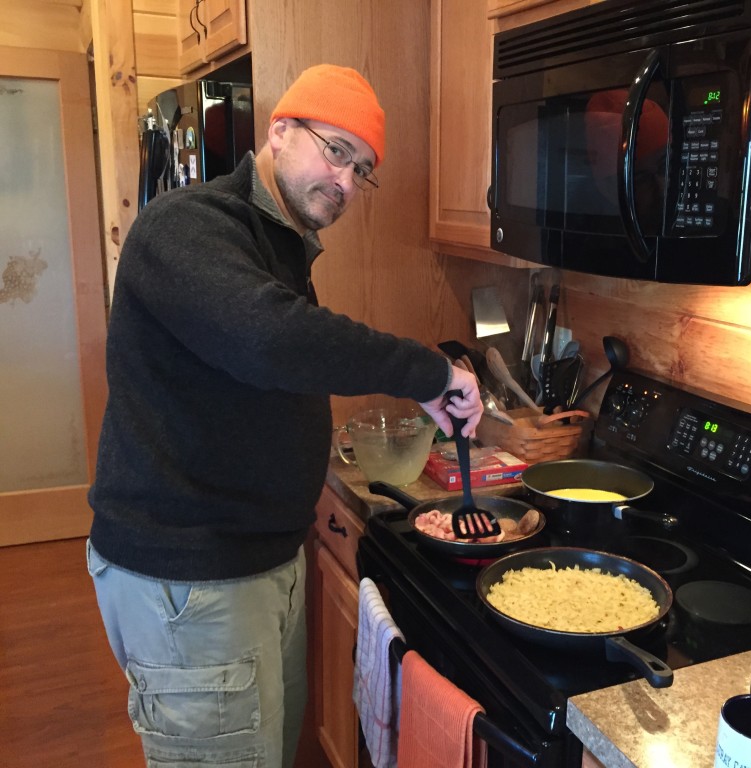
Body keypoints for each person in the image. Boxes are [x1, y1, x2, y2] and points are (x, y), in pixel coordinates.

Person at [86, 64, 482, 768]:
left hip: (258, 563)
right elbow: (271, 339)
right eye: (336, 151)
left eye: (362, 170)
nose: (347, 183)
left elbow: (283, 351)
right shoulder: (187, 226)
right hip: (191, 580)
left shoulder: (276, 243)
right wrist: (429, 374)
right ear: (279, 132)